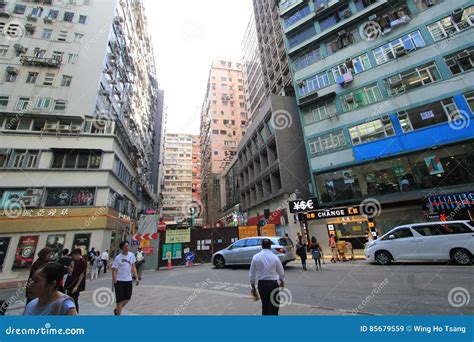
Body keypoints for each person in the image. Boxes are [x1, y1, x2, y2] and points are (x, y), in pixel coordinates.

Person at [249, 239, 285, 316]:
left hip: (262, 284)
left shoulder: (256, 257)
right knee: (275, 305)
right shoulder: (275, 257)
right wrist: (282, 281)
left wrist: (253, 287)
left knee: (265, 305)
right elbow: (281, 272)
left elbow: (252, 274)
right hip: (273, 284)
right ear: (270, 246)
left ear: (262, 246)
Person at [112, 241, 139, 316]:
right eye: (126, 246)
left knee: (127, 298)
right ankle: (118, 315)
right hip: (120, 281)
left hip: (129, 280)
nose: (128, 247)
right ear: (122, 248)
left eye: (128, 245)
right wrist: (115, 281)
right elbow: (114, 270)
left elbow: (133, 267)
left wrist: (136, 277)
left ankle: (117, 310)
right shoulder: (118, 258)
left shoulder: (132, 255)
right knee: (119, 301)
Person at [65, 248, 87, 313]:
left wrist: (77, 286)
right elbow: (75, 271)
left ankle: (75, 313)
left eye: (73, 255)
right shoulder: (76, 261)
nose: (72, 257)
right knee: (70, 299)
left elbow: (82, 274)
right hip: (72, 282)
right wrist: (69, 269)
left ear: (77, 254)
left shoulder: (82, 261)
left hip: (76, 284)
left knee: (74, 300)